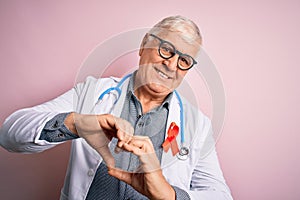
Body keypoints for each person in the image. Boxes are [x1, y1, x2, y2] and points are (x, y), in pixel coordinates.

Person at [0, 16, 233, 200]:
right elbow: (8, 134)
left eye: (184, 61)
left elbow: (220, 195)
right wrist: (77, 124)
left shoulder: (198, 125)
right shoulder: (92, 94)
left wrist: (169, 195)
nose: (171, 65)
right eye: (166, 50)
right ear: (144, 44)